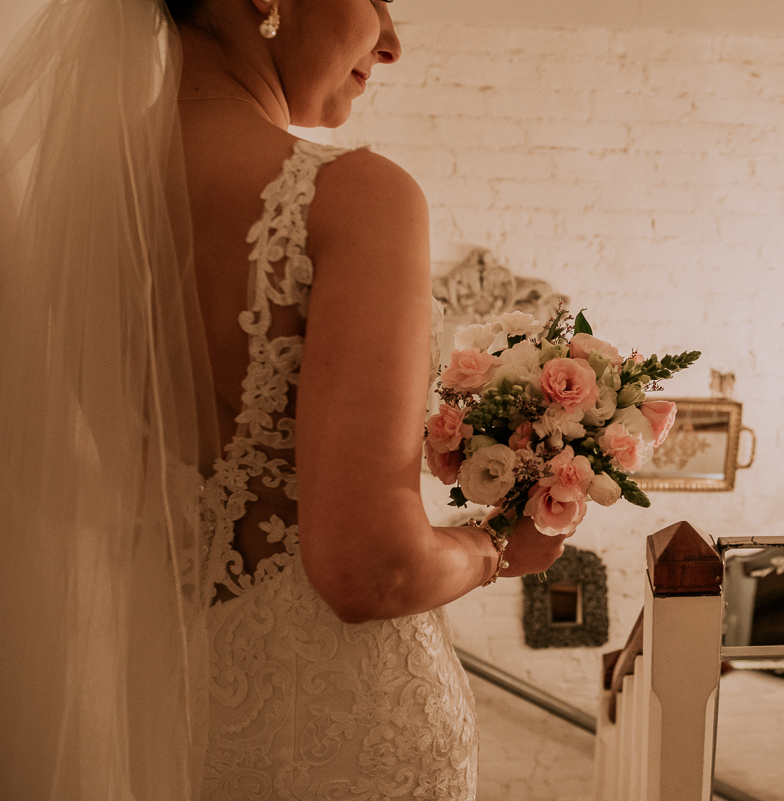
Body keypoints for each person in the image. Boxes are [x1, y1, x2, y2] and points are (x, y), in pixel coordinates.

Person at [0, 0, 565, 797]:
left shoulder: (77, 212)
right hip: (346, 732)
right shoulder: (356, 196)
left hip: (179, 717)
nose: (392, 43)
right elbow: (370, 570)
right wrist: (497, 546)